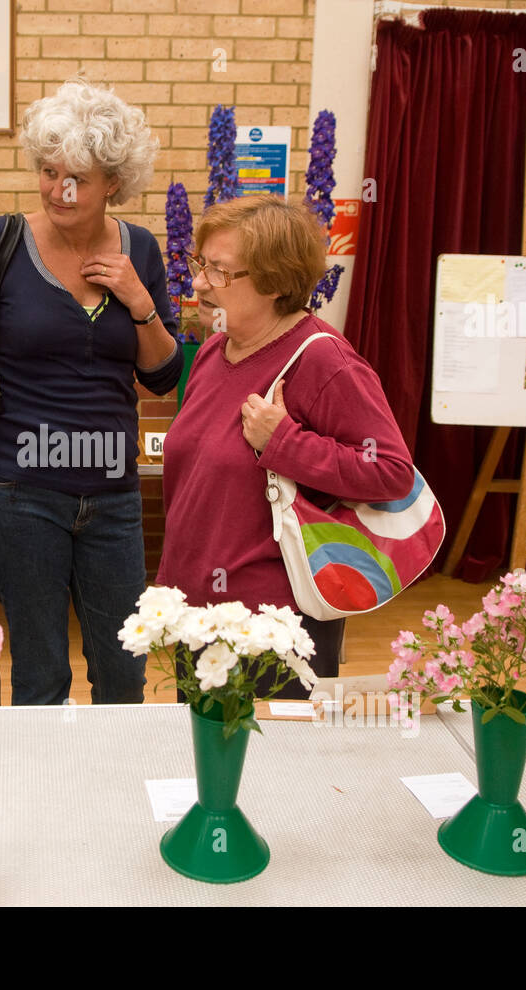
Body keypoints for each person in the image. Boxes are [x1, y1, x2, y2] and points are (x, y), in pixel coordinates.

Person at [0, 79, 182, 706]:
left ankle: (116, 795)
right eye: (49, 170)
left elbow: (163, 375)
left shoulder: (140, 248)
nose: (59, 189)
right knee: (39, 672)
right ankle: (44, 798)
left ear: (113, 182)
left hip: (113, 493)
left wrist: (139, 302)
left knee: (124, 671)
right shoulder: (2, 242)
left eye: (77, 177)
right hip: (20, 491)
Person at [155, 195, 415, 697]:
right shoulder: (214, 349)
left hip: (276, 625)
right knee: (212, 763)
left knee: (274, 773)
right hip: (200, 616)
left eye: (220, 271)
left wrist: (285, 443)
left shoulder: (323, 361)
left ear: (275, 281)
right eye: (200, 263)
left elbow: (390, 473)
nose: (200, 282)